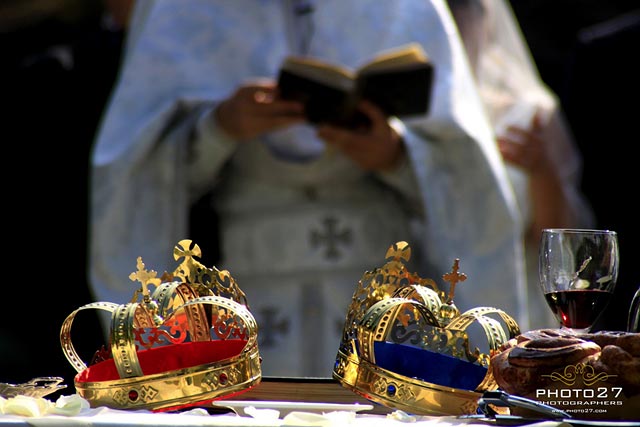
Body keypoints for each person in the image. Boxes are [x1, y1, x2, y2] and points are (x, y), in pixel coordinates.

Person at [89, 0, 527, 377]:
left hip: (385, 306)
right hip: (247, 296)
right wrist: (218, 130)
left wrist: (395, 156)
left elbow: (468, 176)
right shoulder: (182, 8)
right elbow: (136, 175)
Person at [446, 0, 596, 329]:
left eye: (462, 9)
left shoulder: (529, 111)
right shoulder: (396, 121)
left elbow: (565, 245)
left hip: (509, 306)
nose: (452, 24)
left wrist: (541, 170)